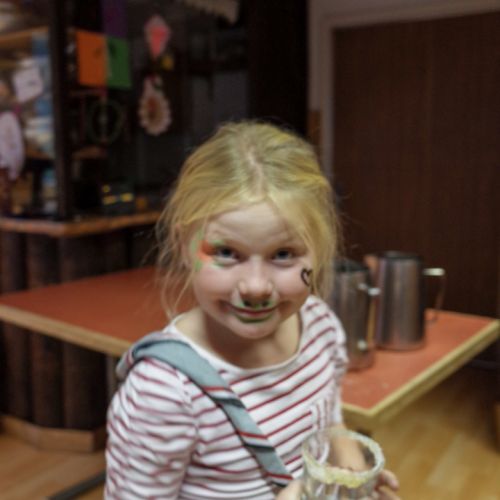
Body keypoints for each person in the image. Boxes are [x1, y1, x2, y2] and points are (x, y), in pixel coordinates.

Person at [105, 121, 400, 499]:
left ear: (320, 250)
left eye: (284, 254)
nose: (256, 287)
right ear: (182, 246)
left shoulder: (320, 325)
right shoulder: (164, 393)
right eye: (227, 252)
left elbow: (328, 415)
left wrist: (349, 465)